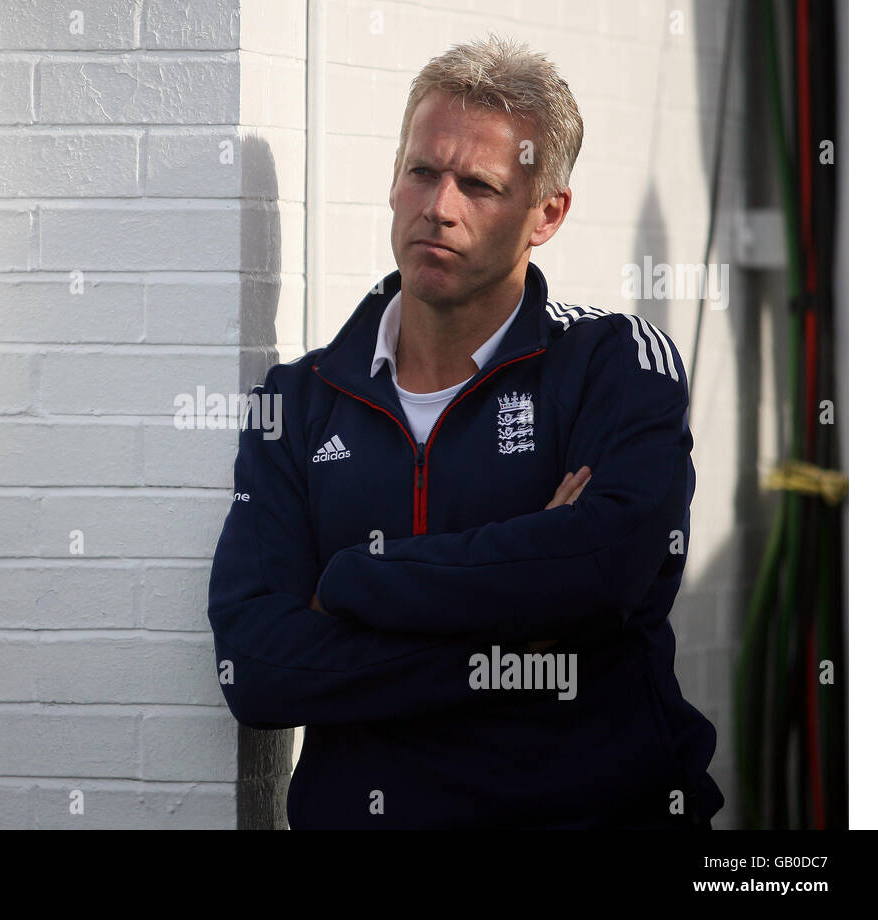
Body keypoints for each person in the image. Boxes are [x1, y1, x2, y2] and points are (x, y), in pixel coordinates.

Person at [206, 35, 723, 829]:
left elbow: (609, 572)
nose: (438, 207)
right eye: (421, 171)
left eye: (478, 185)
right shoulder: (297, 403)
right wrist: (532, 625)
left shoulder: (615, 366)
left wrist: (350, 582)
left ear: (546, 213)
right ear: (392, 180)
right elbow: (259, 672)